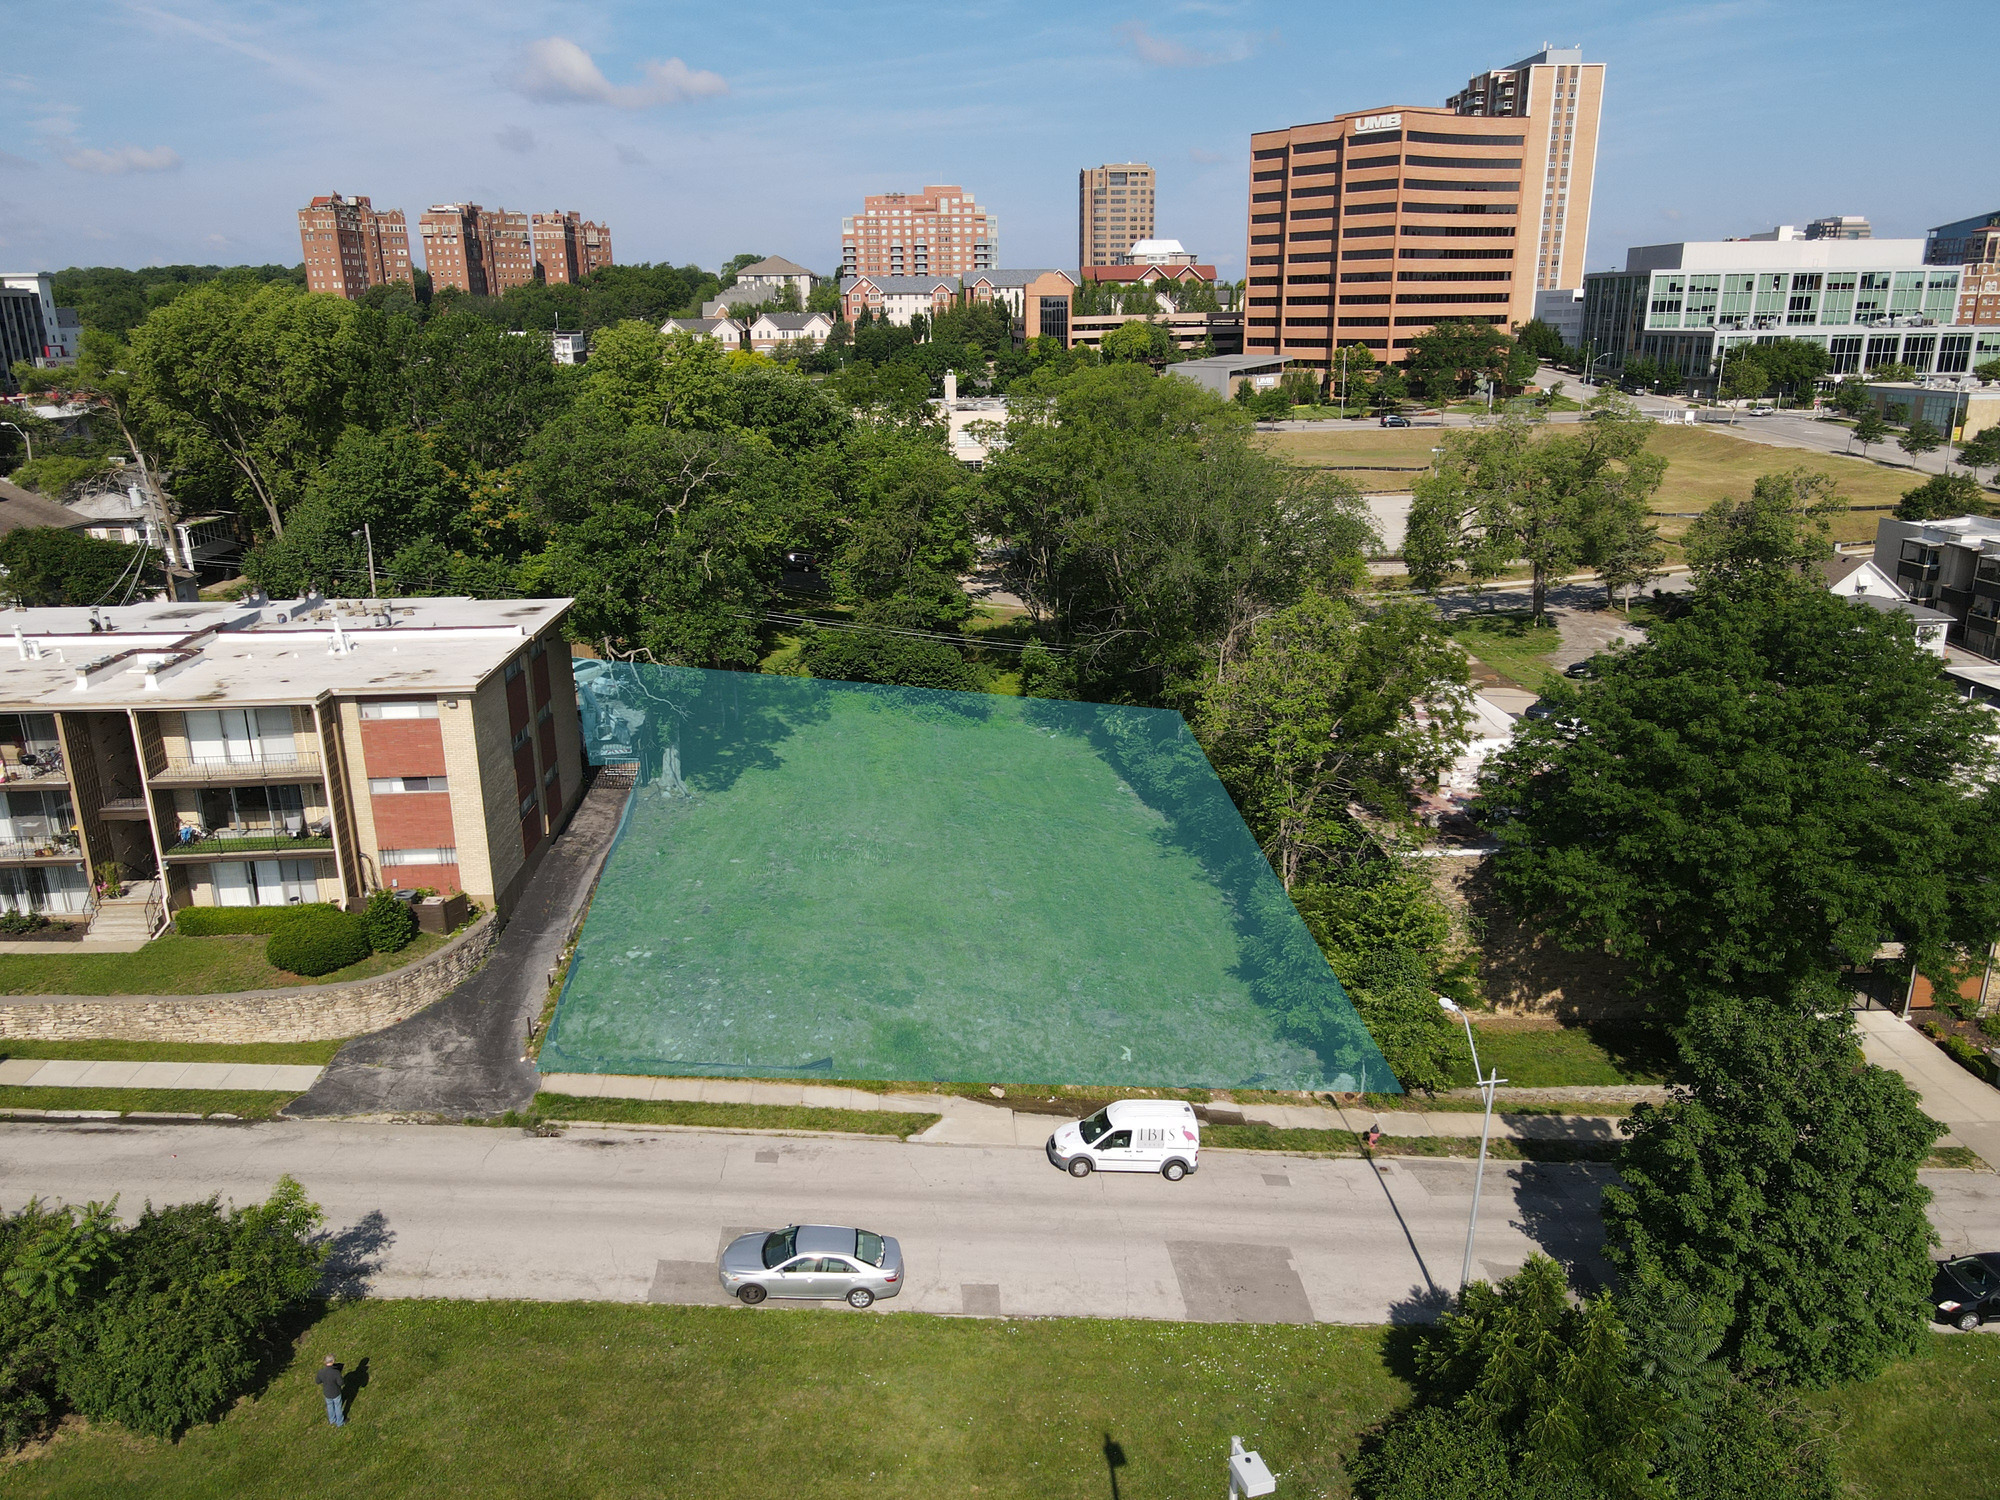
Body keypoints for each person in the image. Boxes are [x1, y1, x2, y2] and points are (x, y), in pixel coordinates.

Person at [316, 1356, 345, 1427]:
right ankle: (340, 1422)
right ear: (333, 1361)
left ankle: (332, 1420)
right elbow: (341, 1383)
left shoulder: (321, 1372)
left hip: (327, 1392)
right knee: (337, 1407)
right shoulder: (336, 1372)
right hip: (335, 1392)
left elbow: (317, 1381)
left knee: (329, 1406)